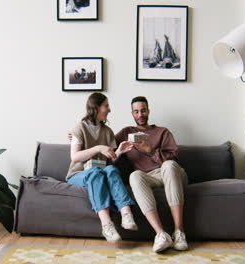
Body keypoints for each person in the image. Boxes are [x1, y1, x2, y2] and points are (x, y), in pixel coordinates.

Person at [115, 96, 188, 252]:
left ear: (148, 111)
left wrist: (150, 150)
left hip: (172, 173)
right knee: (134, 176)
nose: (140, 115)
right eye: (136, 112)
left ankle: (179, 232)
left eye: (143, 110)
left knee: (168, 165)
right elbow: (106, 145)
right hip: (149, 177)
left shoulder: (162, 132)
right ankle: (161, 234)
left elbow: (174, 159)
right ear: (132, 114)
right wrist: (79, 136)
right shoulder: (126, 132)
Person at [67, 92, 138, 243]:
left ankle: (126, 214)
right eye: (106, 106)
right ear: (96, 107)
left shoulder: (107, 132)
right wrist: (98, 148)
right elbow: (75, 157)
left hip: (101, 171)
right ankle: (106, 225)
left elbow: (109, 163)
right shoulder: (79, 128)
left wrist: (119, 151)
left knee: (112, 170)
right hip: (78, 174)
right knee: (95, 172)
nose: (109, 110)